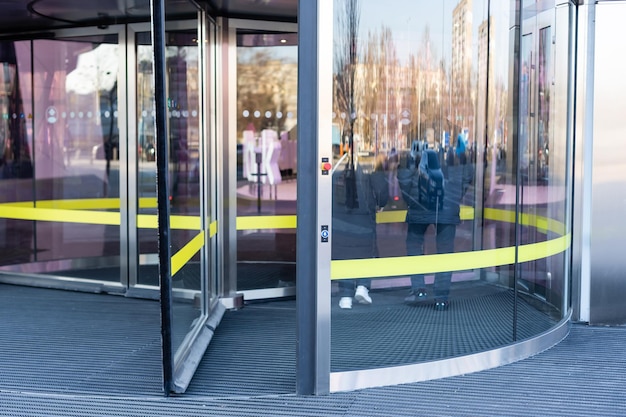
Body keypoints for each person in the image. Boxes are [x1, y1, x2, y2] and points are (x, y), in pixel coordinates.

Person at [397, 147, 472, 310]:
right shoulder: (453, 157)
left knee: (414, 245)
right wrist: (454, 197)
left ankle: (419, 290)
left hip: (419, 208)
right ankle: (441, 298)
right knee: (445, 253)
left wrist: (410, 199)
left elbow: (404, 182)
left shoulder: (416, 159)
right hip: (447, 208)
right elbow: (466, 176)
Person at [332, 155, 389, 309]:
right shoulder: (369, 165)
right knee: (365, 250)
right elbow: (381, 190)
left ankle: (345, 296)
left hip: (340, 217)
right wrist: (381, 203)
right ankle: (363, 286)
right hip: (364, 217)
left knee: (344, 253)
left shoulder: (335, 165)